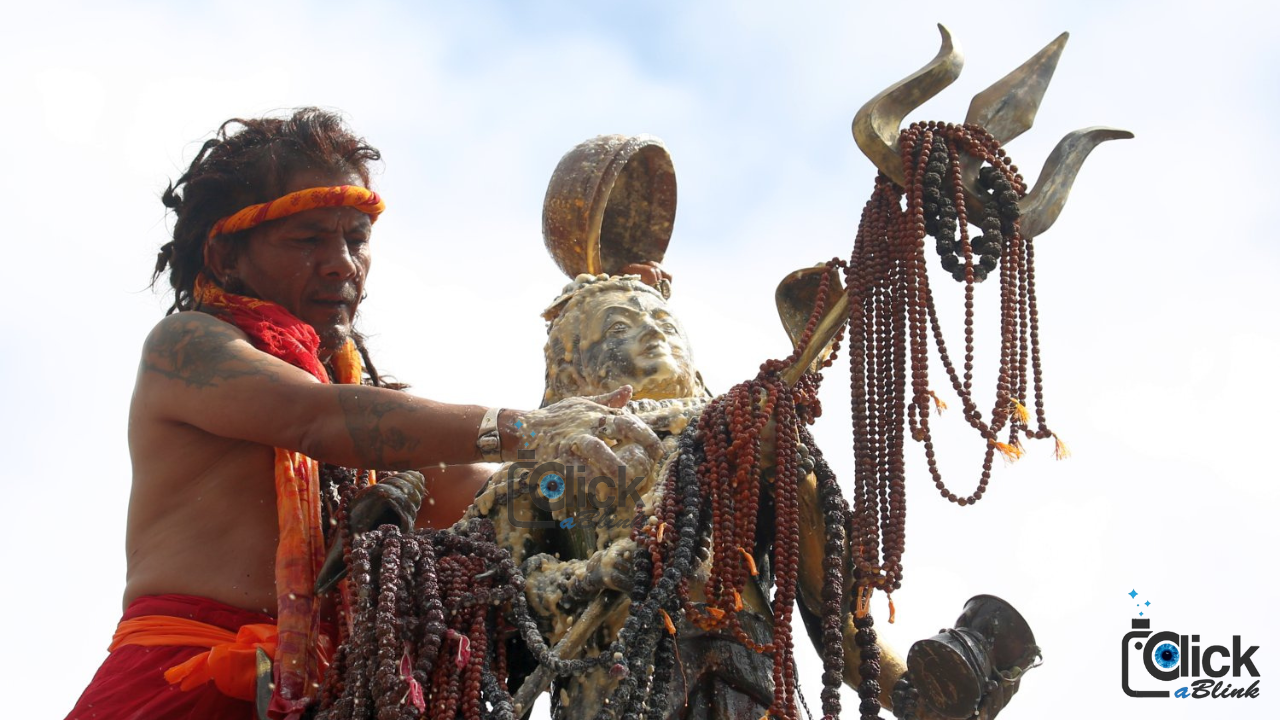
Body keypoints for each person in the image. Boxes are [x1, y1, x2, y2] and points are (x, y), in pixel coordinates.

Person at [64, 109, 661, 720]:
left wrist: (605, 443)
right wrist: (526, 431)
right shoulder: (187, 347)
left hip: (330, 696)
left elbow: (498, 496)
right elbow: (314, 420)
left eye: (356, 239)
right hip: (177, 689)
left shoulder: (367, 419)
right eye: (309, 239)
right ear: (224, 255)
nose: (343, 264)